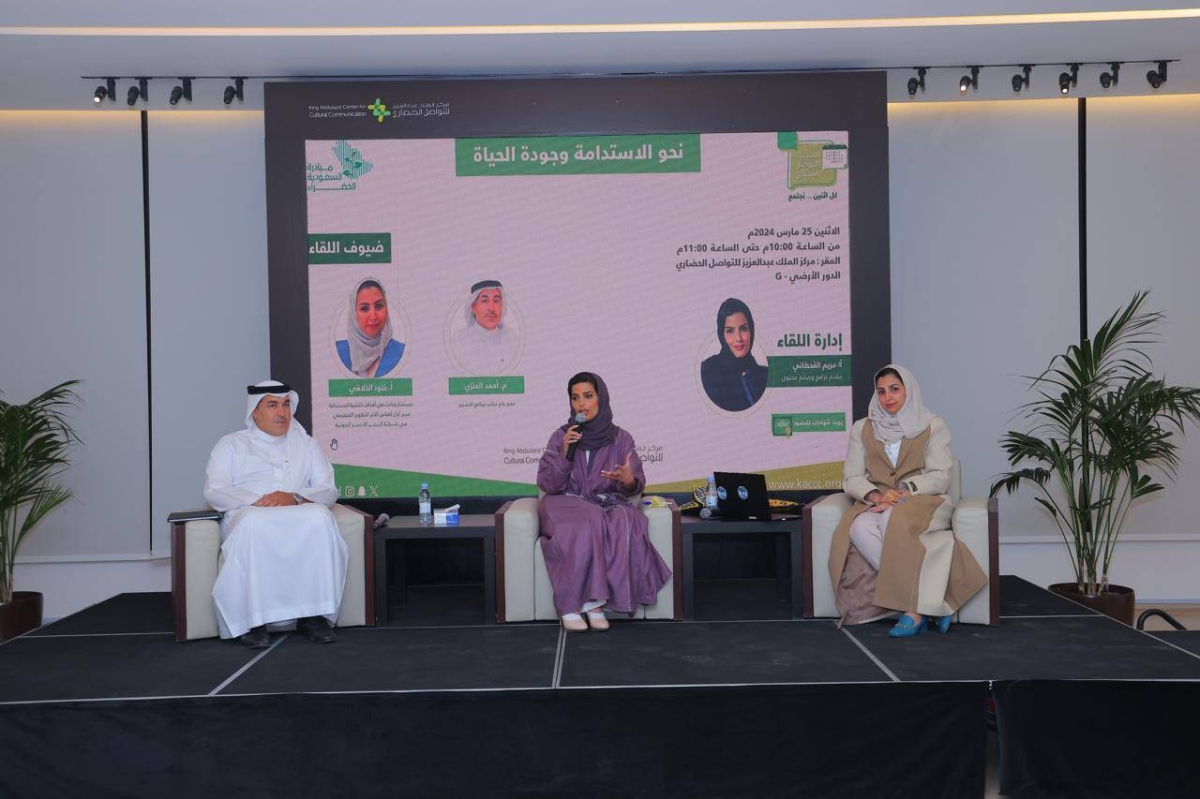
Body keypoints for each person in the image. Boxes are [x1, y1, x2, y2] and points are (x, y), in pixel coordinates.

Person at [827, 365, 987, 638]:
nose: (887, 397)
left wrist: (904, 492)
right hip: (878, 500)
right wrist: (877, 496)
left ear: (908, 391)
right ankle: (929, 604)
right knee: (859, 527)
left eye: (894, 389)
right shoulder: (862, 428)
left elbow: (941, 476)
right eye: (881, 391)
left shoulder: (932, 425)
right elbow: (851, 477)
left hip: (924, 499)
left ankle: (913, 613)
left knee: (892, 519)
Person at [203, 380, 349, 648]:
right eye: (272, 405)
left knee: (320, 518)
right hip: (249, 514)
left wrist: (294, 497)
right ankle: (253, 621)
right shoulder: (231, 444)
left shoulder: (307, 444)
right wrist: (258, 500)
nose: (282, 412)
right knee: (254, 523)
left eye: (286, 404)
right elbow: (214, 492)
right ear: (254, 412)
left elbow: (328, 489)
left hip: (297, 509)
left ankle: (313, 615)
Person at [536, 372, 672, 632]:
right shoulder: (561, 436)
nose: (581, 404)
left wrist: (628, 480)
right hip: (563, 502)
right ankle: (572, 605)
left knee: (626, 519)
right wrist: (564, 454)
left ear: (602, 398)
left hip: (604, 501)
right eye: (575, 398)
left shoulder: (622, 438)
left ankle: (595, 602)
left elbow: (635, 485)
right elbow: (549, 485)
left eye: (588, 396)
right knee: (589, 518)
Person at [700, 297, 769, 412]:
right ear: (721, 334)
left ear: (751, 331)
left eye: (744, 329)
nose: (739, 338)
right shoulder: (708, 372)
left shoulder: (766, 375)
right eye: (730, 331)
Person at [336, 278, 405, 378]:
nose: (373, 316)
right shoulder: (338, 352)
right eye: (364, 308)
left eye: (379, 306)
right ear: (353, 313)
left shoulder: (401, 352)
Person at [451, 279, 517, 374]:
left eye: (496, 301)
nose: (491, 308)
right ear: (473, 306)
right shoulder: (458, 340)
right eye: (485, 301)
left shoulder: (512, 338)